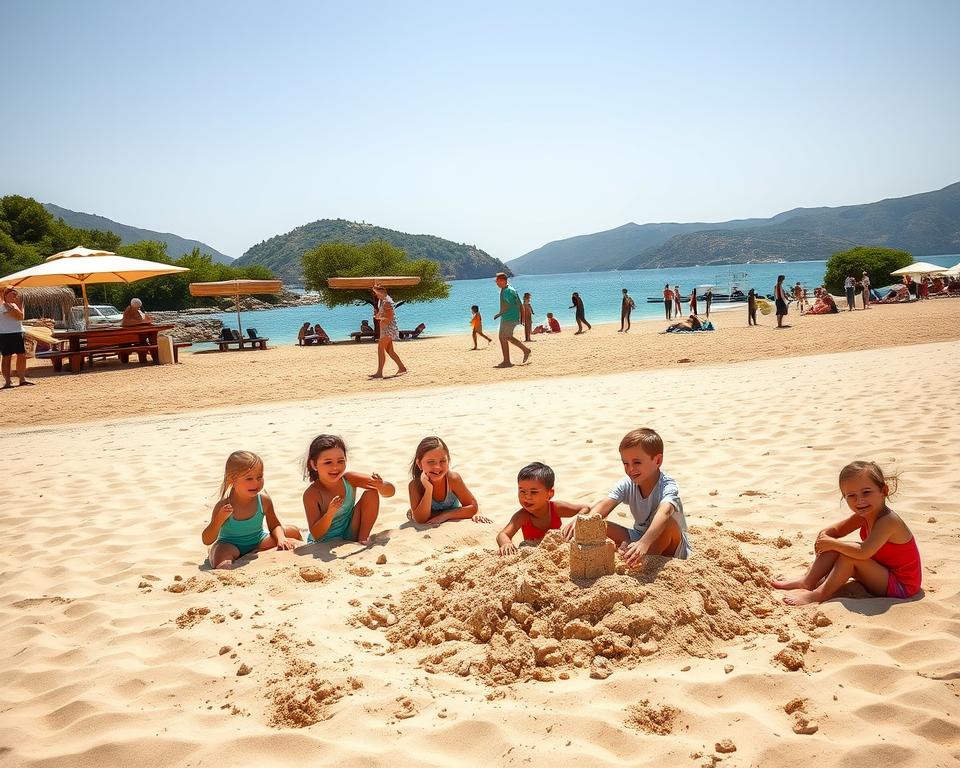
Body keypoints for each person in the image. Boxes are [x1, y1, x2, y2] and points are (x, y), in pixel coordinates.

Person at [772, 461, 921, 605]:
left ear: (884, 491)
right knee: (836, 545)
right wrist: (825, 537)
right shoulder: (864, 515)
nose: (860, 500)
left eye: (866, 492)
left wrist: (831, 543)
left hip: (902, 586)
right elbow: (835, 531)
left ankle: (817, 595)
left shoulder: (888, 521)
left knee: (848, 555)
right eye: (851, 496)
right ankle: (808, 581)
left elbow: (864, 552)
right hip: (881, 573)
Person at [562, 428, 691, 564]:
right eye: (625, 463)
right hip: (637, 537)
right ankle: (631, 552)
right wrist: (586, 520)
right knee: (599, 525)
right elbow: (605, 504)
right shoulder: (627, 484)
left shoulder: (668, 485)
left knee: (669, 523)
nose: (630, 469)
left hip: (671, 546)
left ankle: (643, 558)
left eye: (637, 462)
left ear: (657, 460)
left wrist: (644, 543)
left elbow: (665, 512)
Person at [201, 451, 303, 570]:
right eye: (249, 478)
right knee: (222, 561)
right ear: (232, 480)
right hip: (230, 545)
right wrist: (218, 520)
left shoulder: (263, 500)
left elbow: (274, 525)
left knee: (293, 531)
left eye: (259, 477)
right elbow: (207, 539)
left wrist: (281, 539)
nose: (256, 483)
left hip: (259, 541)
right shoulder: (223, 505)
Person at [302, 434, 392, 546]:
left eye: (340, 461)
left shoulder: (349, 479)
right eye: (328, 462)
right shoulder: (312, 494)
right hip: (325, 541)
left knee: (371, 492)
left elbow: (390, 492)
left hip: (350, 533)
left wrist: (381, 485)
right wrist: (330, 514)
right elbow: (316, 534)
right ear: (314, 464)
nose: (335, 467)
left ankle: (363, 540)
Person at [496, 462, 588, 555]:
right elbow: (503, 534)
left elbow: (584, 508)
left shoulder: (555, 508)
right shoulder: (523, 516)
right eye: (522, 491)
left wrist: (577, 519)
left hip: (557, 550)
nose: (527, 497)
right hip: (534, 553)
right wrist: (506, 543)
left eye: (534, 492)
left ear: (550, 493)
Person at [407, 436, 487, 525]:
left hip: (447, 515)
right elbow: (421, 520)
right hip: (434, 515)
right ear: (419, 464)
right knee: (415, 514)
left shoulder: (453, 479)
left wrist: (445, 516)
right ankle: (412, 511)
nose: (437, 466)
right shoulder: (415, 485)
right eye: (430, 462)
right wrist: (429, 489)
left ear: (448, 460)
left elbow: (473, 507)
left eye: (442, 461)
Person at [493, 272, 530, 368]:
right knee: (506, 337)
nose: (497, 283)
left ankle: (507, 361)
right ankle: (525, 350)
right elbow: (518, 303)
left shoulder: (508, 291)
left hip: (509, 317)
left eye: (498, 281)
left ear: (504, 281)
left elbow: (513, 305)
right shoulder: (506, 289)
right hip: (508, 317)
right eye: (496, 282)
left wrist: (499, 313)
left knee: (504, 337)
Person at [370, 284, 406, 378]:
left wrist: (379, 317)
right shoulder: (384, 301)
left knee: (380, 349)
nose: (376, 295)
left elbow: (389, 318)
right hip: (386, 329)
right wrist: (378, 315)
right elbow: (384, 314)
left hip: (388, 329)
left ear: (381, 293)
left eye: (377, 293)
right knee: (390, 350)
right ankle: (402, 368)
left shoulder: (387, 302)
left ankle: (379, 372)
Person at [0, 287, 31, 388]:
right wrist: (19, 305)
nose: (14, 296)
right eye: (12, 295)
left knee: (21, 355)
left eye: (15, 295)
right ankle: (8, 381)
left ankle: (22, 379)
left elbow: (21, 317)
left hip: (17, 333)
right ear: (5, 296)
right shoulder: (4, 307)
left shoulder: (13, 306)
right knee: (7, 357)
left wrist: (20, 305)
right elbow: (19, 317)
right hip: (6, 334)